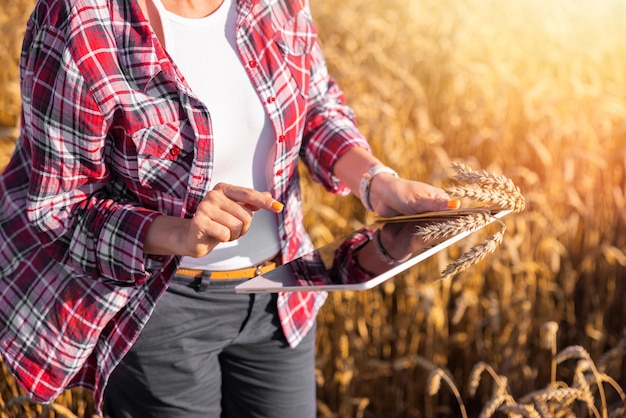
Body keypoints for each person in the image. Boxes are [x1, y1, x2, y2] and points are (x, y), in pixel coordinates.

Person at [0, 0, 458, 416]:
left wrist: (377, 182)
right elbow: (58, 208)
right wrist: (179, 233)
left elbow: (316, 107)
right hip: (162, 308)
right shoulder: (82, 17)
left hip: (283, 296)